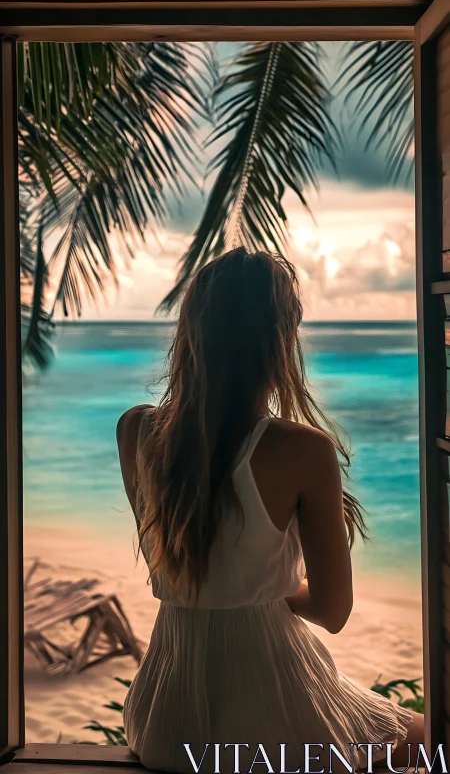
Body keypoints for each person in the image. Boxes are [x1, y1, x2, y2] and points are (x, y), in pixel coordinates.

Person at [117, 247, 423, 774]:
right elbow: (332, 612)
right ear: (280, 341)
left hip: (165, 720)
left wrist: (245, 583)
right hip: (271, 715)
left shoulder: (135, 431)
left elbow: (183, 567)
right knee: (431, 739)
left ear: (190, 335)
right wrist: (270, 588)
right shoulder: (302, 448)